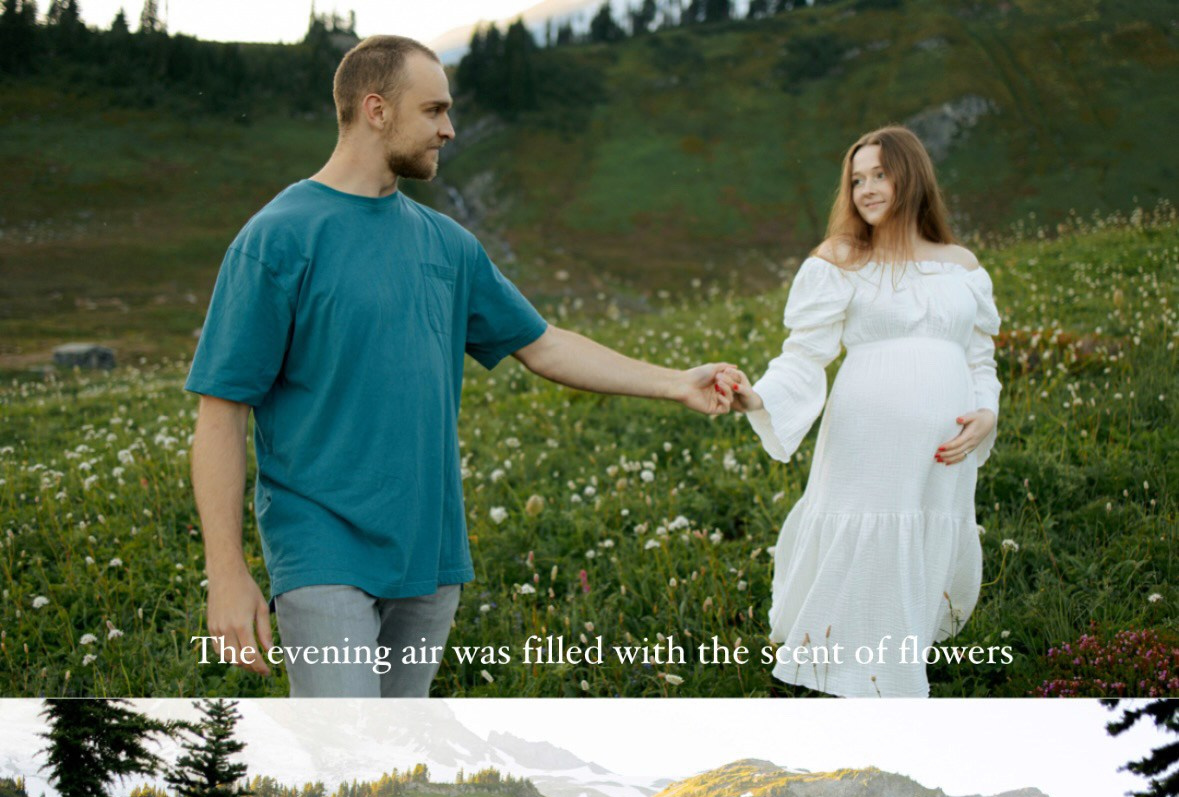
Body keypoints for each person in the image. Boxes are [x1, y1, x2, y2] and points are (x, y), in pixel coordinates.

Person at [186, 36, 743, 698]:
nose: (449, 129)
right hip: (321, 546)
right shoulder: (277, 238)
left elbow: (543, 344)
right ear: (375, 109)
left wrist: (676, 382)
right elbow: (220, 412)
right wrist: (226, 572)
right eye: (434, 110)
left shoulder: (448, 244)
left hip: (432, 552)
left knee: (392, 769)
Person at [729, 127, 1001, 699]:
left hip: (943, 447)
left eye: (881, 174)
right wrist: (759, 396)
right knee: (864, 529)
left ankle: (897, 659)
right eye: (857, 180)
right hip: (866, 436)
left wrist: (988, 412)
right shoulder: (843, 260)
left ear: (913, 176)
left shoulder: (962, 267)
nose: (867, 189)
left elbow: (980, 356)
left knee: (917, 530)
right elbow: (805, 352)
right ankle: (836, 668)